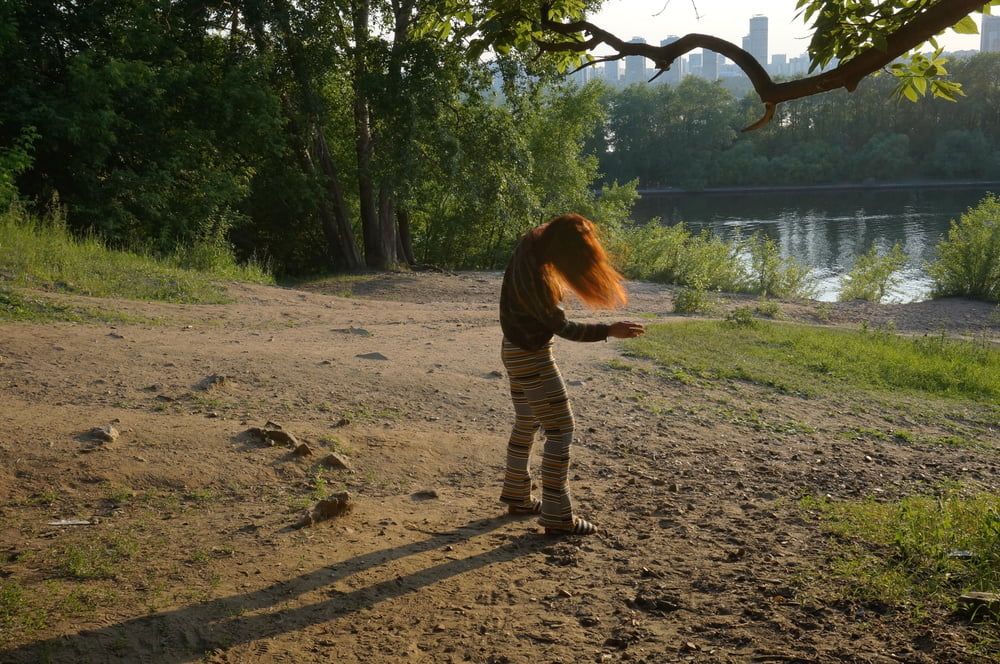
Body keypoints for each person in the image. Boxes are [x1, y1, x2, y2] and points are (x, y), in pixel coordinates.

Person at [498, 213, 644, 535]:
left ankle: (517, 495)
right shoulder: (537, 277)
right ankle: (557, 516)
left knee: (527, 423)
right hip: (531, 358)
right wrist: (610, 330)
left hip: (513, 350)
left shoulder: (530, 247)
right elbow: (564, 328)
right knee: (561, 429)